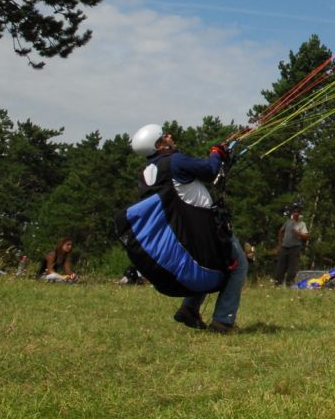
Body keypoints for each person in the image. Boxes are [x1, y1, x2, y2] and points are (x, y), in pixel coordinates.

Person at [124, 124, 247, 334]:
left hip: (183, 234)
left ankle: (189, 309)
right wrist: (216, 153)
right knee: (238, 265)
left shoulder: (148, 172)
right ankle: (223, 321)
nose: (170, 136)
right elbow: (210, 170)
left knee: (210, 266)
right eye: (165, 136)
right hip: (202, 228)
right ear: (159, 145)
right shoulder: (175, 161)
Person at [274, 205, 310, 287]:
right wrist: (280, 244)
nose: (296, 213)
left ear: (300, 214)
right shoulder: (288, 222)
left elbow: (307, 236)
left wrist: (298, 234)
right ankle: (277, 284)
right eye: (294, 212)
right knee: (280, 266)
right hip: (285, 246)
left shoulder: (302, 224)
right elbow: (280, 231)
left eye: (297, 212)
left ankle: (289, 284)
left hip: (295, 247)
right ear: (292, 213)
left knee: (292, 268)